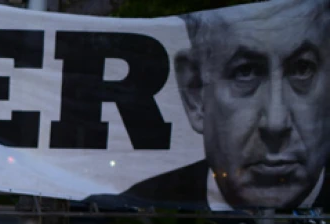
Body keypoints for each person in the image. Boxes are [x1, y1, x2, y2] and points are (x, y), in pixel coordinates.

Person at [88, 0, 329, 212]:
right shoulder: (139, 204)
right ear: (195, 93)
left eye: (302, 69)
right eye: (245, 72)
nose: (276, 123)